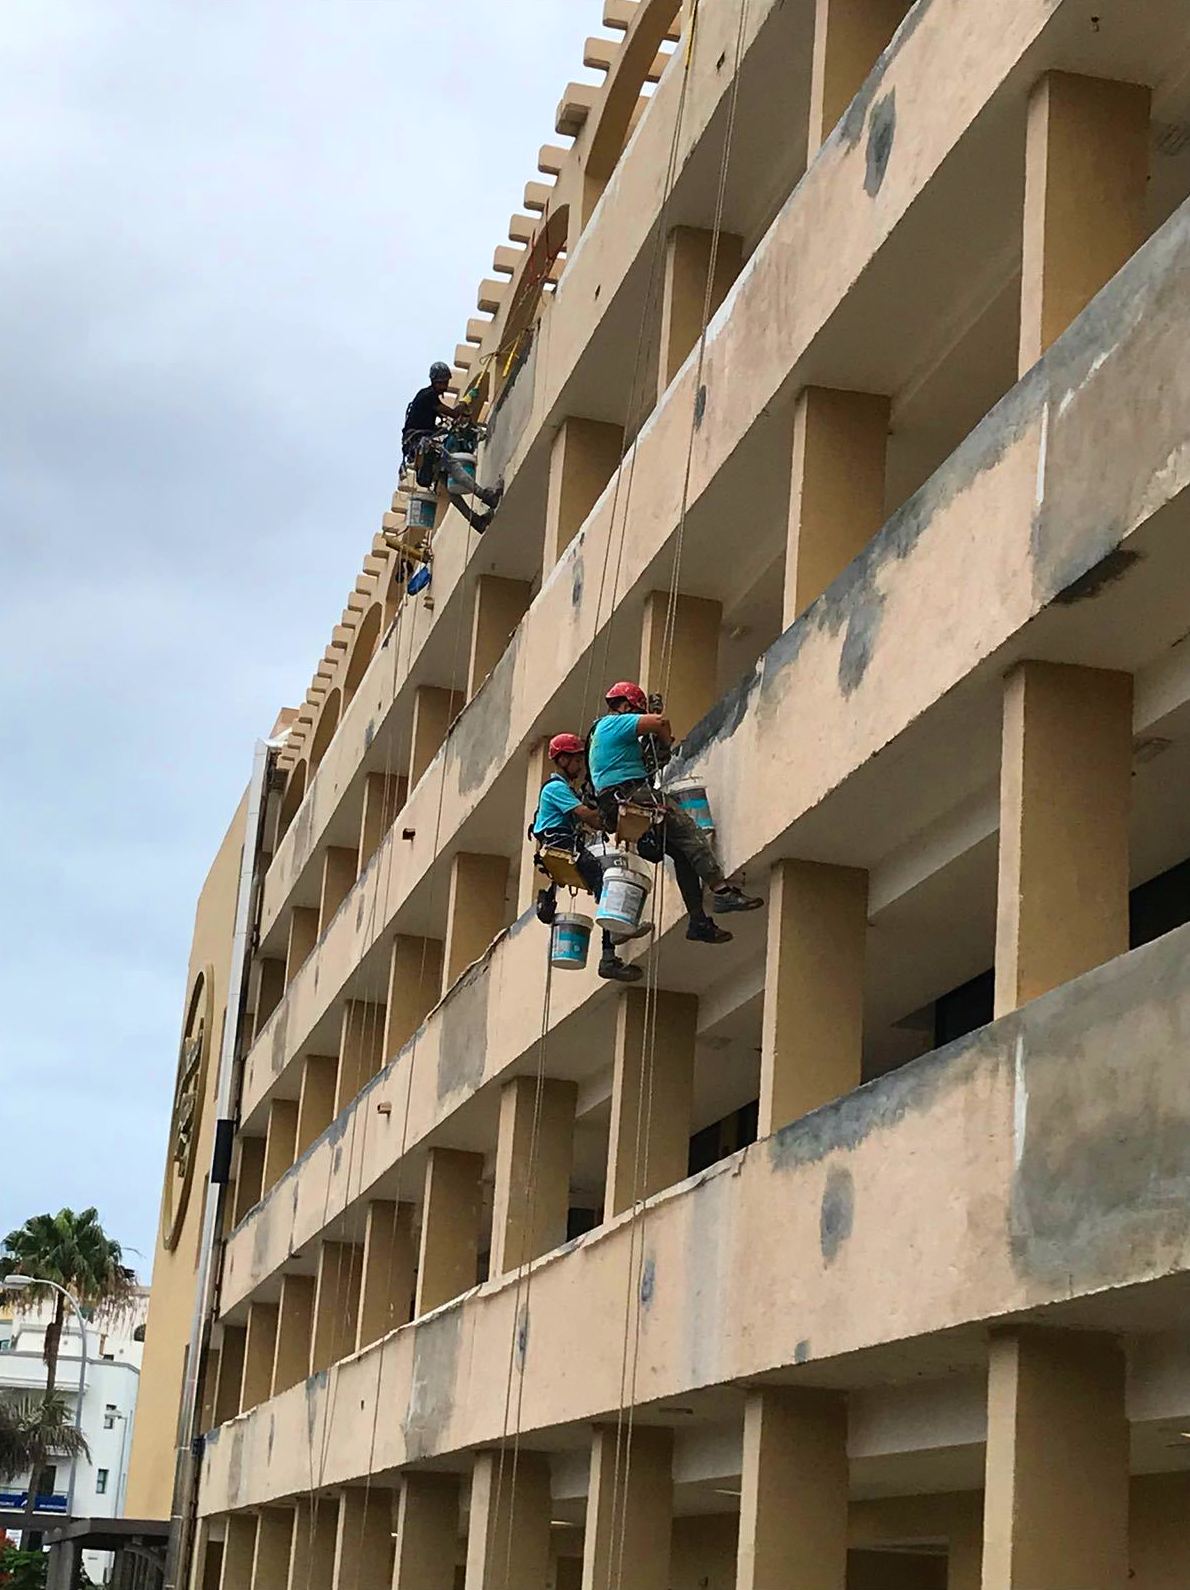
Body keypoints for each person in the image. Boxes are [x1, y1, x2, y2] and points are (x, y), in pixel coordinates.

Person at [587, 681, 761, 943]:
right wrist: (665, 740)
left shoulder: (603, 735)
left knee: (681, 853)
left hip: (616, 802)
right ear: (626, 706)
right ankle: (721, 891)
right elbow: (660, 723)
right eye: (635, 709)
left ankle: (698, 921)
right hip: (633, 794)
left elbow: (647, 760)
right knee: (688, 830)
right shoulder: (616, 722)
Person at [532, 733, 649, 984]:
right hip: (560, 844)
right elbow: (585, 815)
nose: (580, 766)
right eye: (576, 760)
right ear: (562, 759)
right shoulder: (555, 789)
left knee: (603, 885)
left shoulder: (565, 790)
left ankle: (612, 944)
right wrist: (612, 818)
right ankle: (609, 951)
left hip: (563, 845)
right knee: (607, 887)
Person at [402, 362, 503, 533]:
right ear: (434, 381)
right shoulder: (428, 396)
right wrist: (468, 399)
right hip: (423, 445)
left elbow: (447, 418)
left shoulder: (426, 398)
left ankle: (476, 521)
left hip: (419, 448)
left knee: (450, 489)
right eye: (442, 383)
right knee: (454, 466)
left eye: (446, 382)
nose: (445, 386)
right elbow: (454, 414)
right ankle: (487, 496)